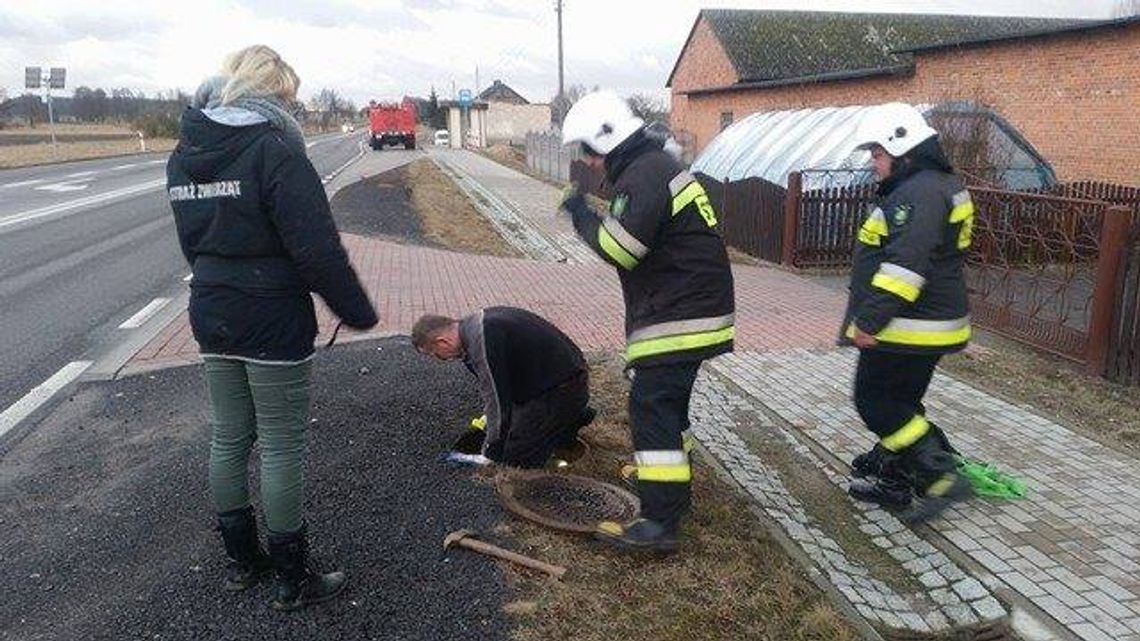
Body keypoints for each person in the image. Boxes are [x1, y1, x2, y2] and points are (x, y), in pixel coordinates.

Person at [166, 44, 378, 611]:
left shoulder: (184, 152)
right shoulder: (274, 148)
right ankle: (292, 576)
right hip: (270, 315)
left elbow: (192, 244)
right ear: (274, 92)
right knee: (282, 445)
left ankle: (242, 563)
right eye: (289, 96)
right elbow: (316, 249)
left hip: (211, 310)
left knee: (229, 437)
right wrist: (356, 309)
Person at [559, 90, 735, 553]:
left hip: (679, 312)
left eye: (589, 153)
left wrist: (580, 215)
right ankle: (670, 488)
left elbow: (622, 249)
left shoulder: (643, 174)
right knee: (668, 406)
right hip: (694, 306)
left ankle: (659, 522)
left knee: (650, 408)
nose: (589, 164)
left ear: (607, 142)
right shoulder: (655, 166)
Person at [841, 102, 974, 523]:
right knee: (901, 402)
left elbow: (905, 268)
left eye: (878, 155)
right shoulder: (935, 186)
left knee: (876, 403)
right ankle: (896, 481)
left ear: (905, 151)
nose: (873, 164)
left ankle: (941, 474)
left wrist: (869, 320)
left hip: (906, 326)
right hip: (921, 324)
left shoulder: (917, 194)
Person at [411, 307, 595, 468]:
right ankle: (569, 417)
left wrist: (490, 451)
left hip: (562, 389)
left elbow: (496, 398)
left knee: (514, 456)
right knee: (513, 426)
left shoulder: (482, 341)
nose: (440, 359)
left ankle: (572, 417)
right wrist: (490, 419)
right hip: (557, 379)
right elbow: (503, 384)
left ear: (442, 342)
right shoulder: (476, 325)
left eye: (435, 354)